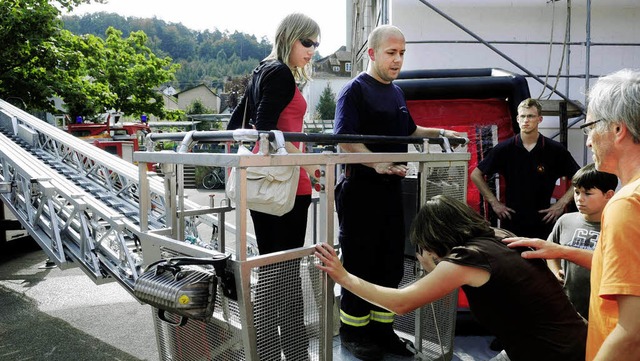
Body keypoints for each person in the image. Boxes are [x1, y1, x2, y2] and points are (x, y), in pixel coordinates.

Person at [315, 195, 588, 361]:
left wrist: (343, 276)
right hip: (572, 340)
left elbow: (401, 303)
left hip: (553, 354)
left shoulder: (468, 258)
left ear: (435, 239)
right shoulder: (496, 237)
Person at [332, 24, 461, 360]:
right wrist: (375, 163)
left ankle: (382, 331)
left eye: (402, 53)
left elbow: (411, 130)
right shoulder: (354, 91)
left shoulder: (397, 93)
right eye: (391, 53)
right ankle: (353, 334)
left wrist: (440, 132)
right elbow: (344, 139)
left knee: (389, 265)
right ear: (372, 53)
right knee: (359, 264)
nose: (398, 59)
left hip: (392, 191)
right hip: (360, 192)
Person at [505, 69, 640, 361]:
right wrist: (561, 251)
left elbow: (631, 331)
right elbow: (627, 274)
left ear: (618, 130)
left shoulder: (626, 205)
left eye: (590, 127)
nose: (589, 141)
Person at [226, 13, 320, 361]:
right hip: (288, 187)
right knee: (286, 273)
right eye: (307, 42)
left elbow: (238, 124)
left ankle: (266, 350)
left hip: (263, 185)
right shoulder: (280, 72)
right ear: (290, 37)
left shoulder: (260, 69)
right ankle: (296, 354)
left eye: (316, 44)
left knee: (269, 271)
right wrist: (311, 162)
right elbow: (265, 131)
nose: (312, 50)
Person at [470, 98, 581, 239]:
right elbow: (476, 174)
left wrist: (561, 203)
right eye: (522, 116)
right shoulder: (505, 149)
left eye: (531, 116)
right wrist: (494, 202)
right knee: (513, 259)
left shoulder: (554, 150)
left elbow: (580, 178)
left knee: (541, 260)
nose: (526, 120)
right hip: (512, 220)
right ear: (517, 119)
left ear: (540, 119)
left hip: (544, 220)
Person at [544, 163, 617, 319]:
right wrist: (556, 271)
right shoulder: (565, 221)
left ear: (609, 195)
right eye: (576, 192)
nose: (579, 199)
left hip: (604, 311)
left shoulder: (618, 226)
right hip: (568, 308)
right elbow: (550, 251)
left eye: (587, 193)